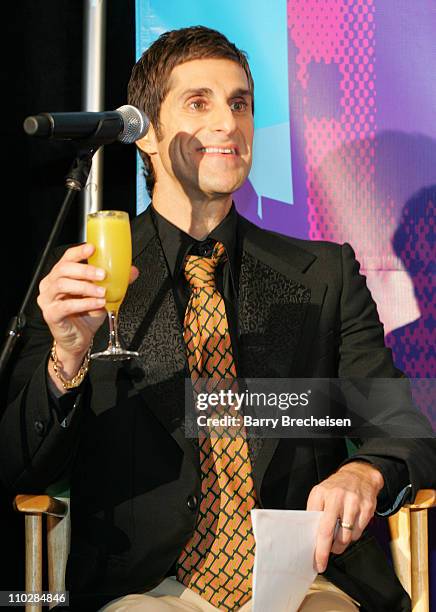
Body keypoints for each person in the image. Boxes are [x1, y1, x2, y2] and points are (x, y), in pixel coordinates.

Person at [1, 26, 435, 612]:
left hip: (305, 579)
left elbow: (403, 427)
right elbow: (20, 465)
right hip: (148, 588)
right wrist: (67, 358)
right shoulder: (80, 277)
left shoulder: (324, 273)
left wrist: (367, 471)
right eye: (198, 102)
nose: (228, 123)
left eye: (239, 104)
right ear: (146, 134)